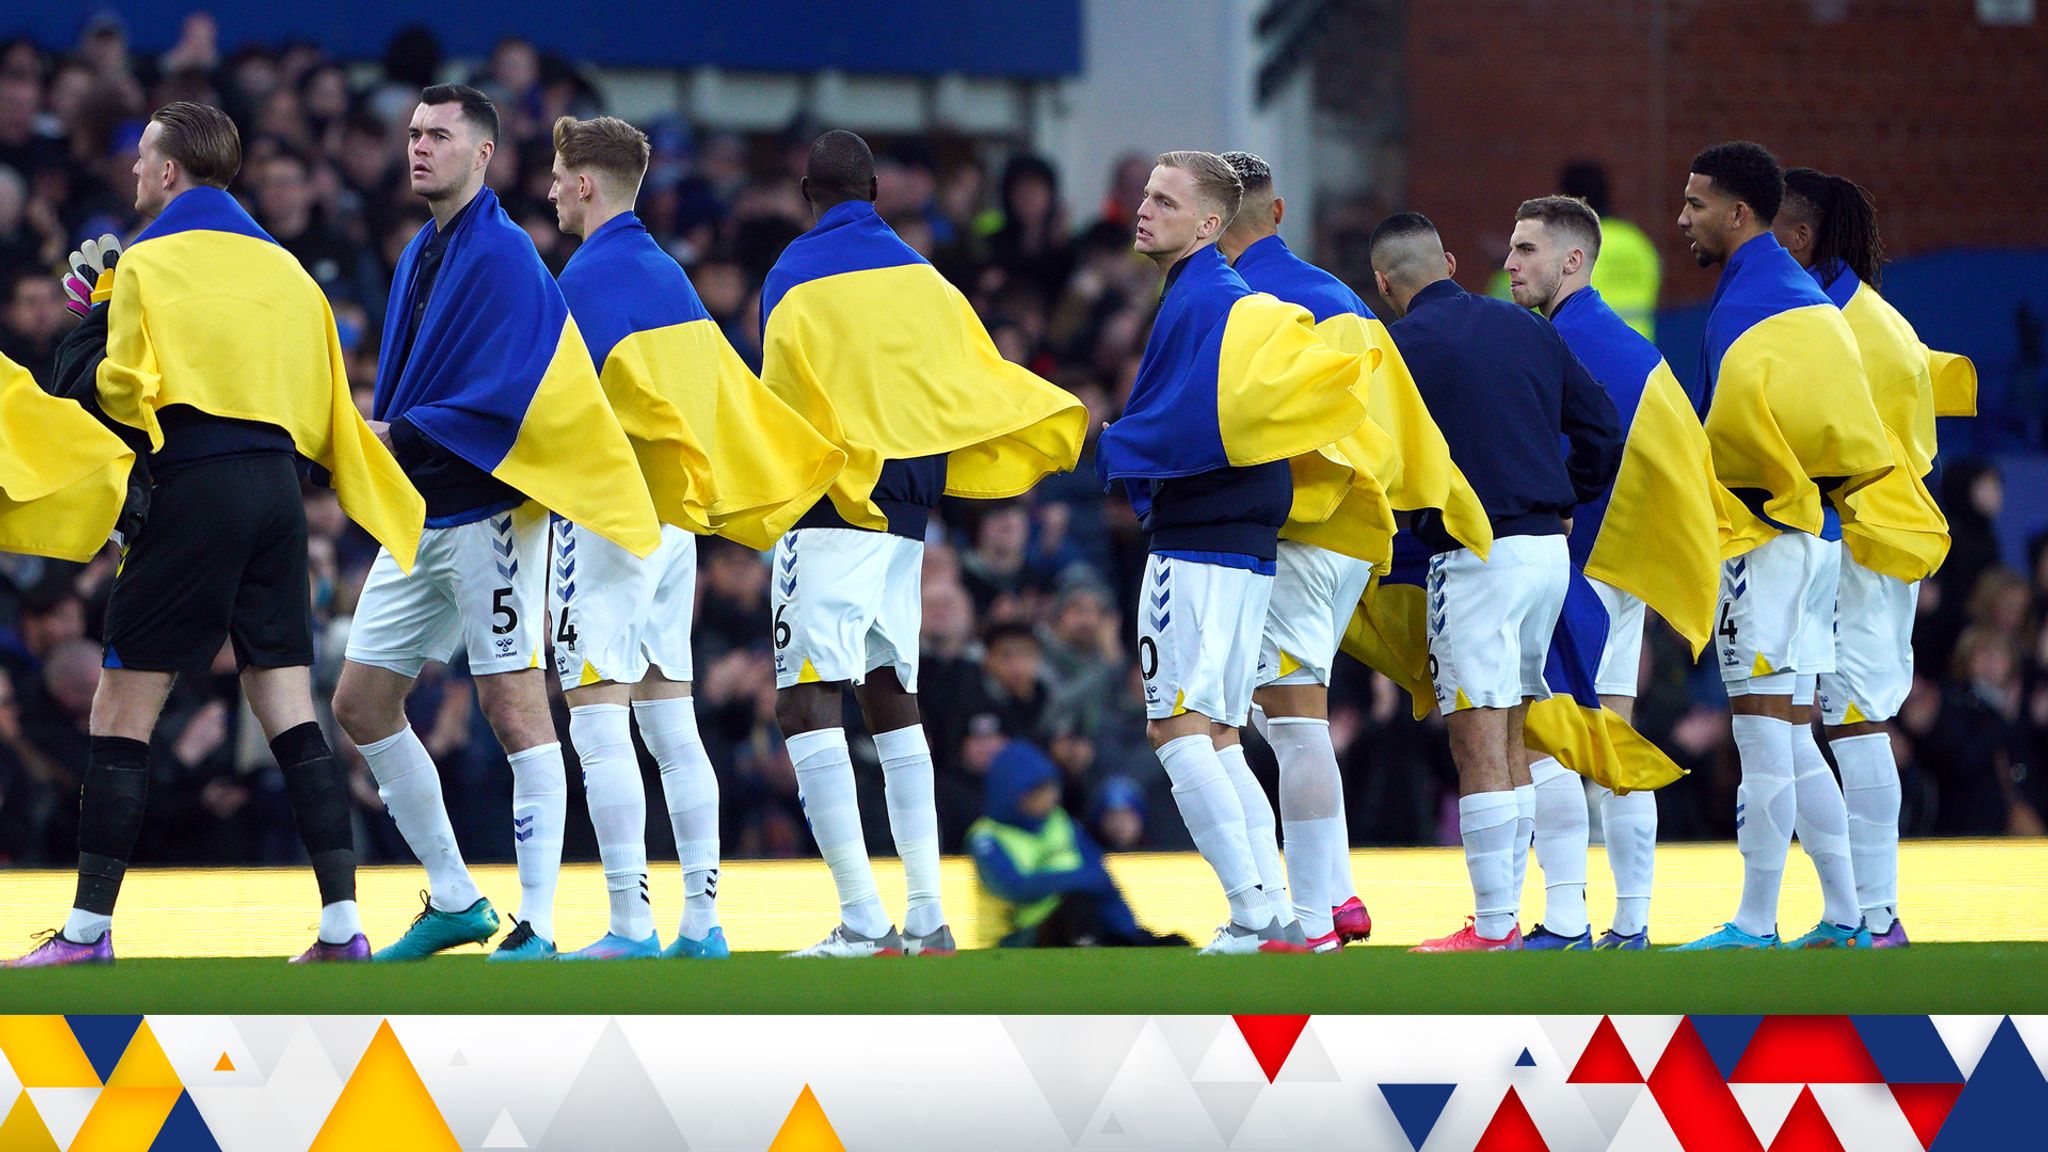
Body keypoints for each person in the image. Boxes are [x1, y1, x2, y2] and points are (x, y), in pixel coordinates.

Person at [3, 102, 424, 966]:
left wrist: (93, 309)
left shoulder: (148, 264)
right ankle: (343, 927)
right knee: (285, 705)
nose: (130, 175)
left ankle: (86, 934)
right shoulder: (294, 274)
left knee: (122, 705)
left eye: (142, 162)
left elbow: (100, 391)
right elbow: (324, 408)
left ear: (167, 173)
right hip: (276, 493)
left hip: (193, 483)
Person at [331, 85, 659, 962]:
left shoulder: (508, 255)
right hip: (422, 513)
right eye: (412, 133)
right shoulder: (417, 254)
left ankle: (540, 926)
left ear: (482, 154)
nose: (419, 147)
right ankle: (454, 896)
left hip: (489, 518)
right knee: (360, 703)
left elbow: (527, 390)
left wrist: (402, 430)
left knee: (515, 710)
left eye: (439, 135)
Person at [760, 130, 1086, 957]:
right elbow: (967, 376)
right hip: (908, 510)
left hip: (833, 505)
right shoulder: (925, 276)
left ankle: (865, 921)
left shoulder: (793, 273)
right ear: (877, 190)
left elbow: (782, 398)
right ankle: (928, 914)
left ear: (808, 194)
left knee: (805, 700)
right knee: (890, 694)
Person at [544, 114, 843, 960]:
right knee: (672, 726)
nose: (553, 190)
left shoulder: (586, 280)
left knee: (599, 723)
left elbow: (562, 411)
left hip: (608, 521)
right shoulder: (669, 275)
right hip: (675, 529)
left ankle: (630, 925)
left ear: (589, 183)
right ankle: (702, 924)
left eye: (561, 176)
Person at [1099, 150, 1378, 955]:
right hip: (1244, 541)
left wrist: (1115, 445)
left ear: (1211, 224)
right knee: (1218, 732)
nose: (1143, 210)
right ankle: (1275, 917)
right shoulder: (1216, 295)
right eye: (1146, 195)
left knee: (1177, 729)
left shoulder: (1211, 299)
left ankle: (1257, 914)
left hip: (1201, 541)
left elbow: (1202, 420)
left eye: (1163, 199)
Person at [1215, 151, 1490, 951]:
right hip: (1354, 531)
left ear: (1209, 223)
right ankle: (1332, 894)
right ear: (1278, 213)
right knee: (1284, 712)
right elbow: (1400, 427)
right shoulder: (1338, 297)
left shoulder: (1246, 303)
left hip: (1303, 528)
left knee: (1294, 720)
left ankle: (1316, 912)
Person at [1368, 211, 1623, 952]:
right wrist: (1566, 494)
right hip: (1548, 553)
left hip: (1476, 556)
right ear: (1448, 259)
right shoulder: (1530, 328)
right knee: (1514, 731)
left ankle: (1492, 926)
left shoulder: (1394, 350)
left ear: (1384, 284)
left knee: (1478, 738)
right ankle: (1524, 916)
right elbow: (1602, 429)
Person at [1670, 141, 1892, 951]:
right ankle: (1846, 916)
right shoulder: (1799, 296)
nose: (1682, 218)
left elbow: (1730, 439)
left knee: (1761, 733)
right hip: (1813, 539)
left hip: (1767, 540)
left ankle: (1754, 923)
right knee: (1793, 735)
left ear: (1739, 213)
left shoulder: (1751, 305)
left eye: (1695, 204)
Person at [1503, 194, 1724, 949]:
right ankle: (1631, 924)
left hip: (1578, 565)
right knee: (1612, 742)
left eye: (1526, 249)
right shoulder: (1634, 347)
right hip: (1625, 567)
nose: (1509, 264)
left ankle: (1565, 918)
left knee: (1553, 742)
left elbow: (1558, 457)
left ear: (1572, 260)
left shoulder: (1556, 344)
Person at [1773, 167, 1974, 948]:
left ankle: (1878, 916)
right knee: (1829, 721)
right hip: (1847, 536)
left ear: (1798, 236)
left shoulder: (1858, 327)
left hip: (1868, 538)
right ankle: (1850, 913)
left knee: (1854, 723)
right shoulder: (1841, 313)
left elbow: (1895, 451)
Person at [967, 740, 1181, 948]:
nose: (1051, 798)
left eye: (1052, 789)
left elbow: (1100, 876)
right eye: (1040, 792)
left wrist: (1131, 930)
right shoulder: (987, 837)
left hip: (1070, 920)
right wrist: (1079, 880)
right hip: (1016, 934)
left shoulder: (1058, 821)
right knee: (1076, 907)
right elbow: (1014, 887)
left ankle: (1129, 940)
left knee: (1090, 905)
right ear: (1013, 794)